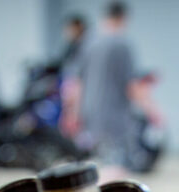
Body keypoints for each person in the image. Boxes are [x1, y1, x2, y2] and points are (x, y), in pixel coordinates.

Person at [61, 2, 154, 175]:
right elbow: (132, 86)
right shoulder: (122, 44)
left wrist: (71, 113)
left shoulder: (88, 42)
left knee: (97, 163)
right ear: (123, 18)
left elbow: (74, 83)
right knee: (117, 167)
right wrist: (152, 111)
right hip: (115, 119)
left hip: (89, 116)